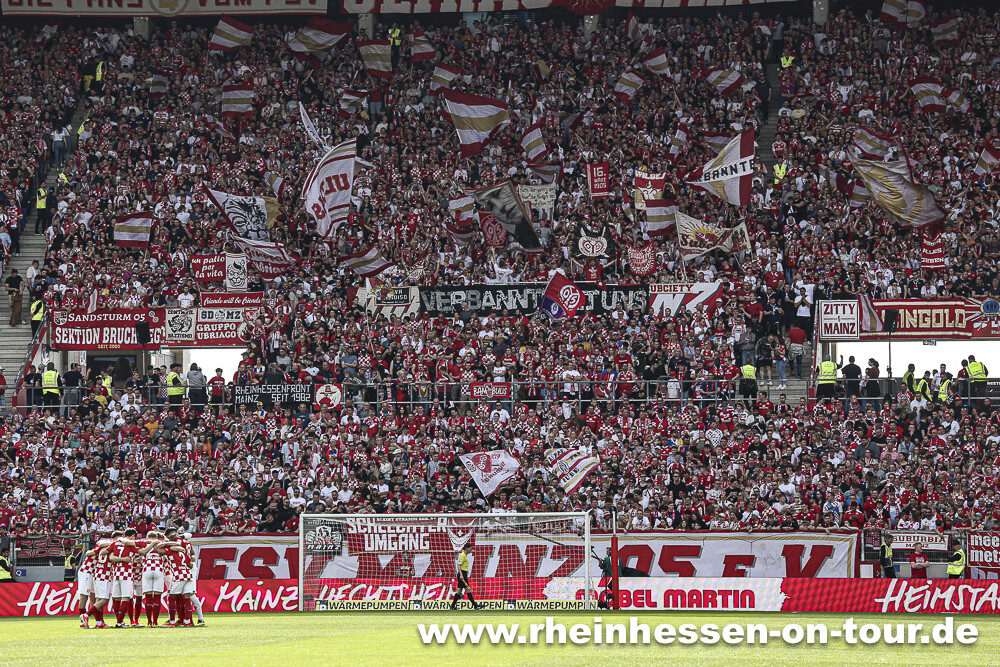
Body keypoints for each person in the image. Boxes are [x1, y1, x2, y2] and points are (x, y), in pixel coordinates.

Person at [450, 543, 481, 610]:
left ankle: (452, 606)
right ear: (467, 548)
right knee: (468, 590)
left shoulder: (464, 555)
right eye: (470, 548)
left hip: (463, 574)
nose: (471, 550)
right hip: (462, 575)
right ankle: (475, 605)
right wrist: (461, 575)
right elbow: (459, 565)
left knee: (459, 591)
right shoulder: (462, 555)